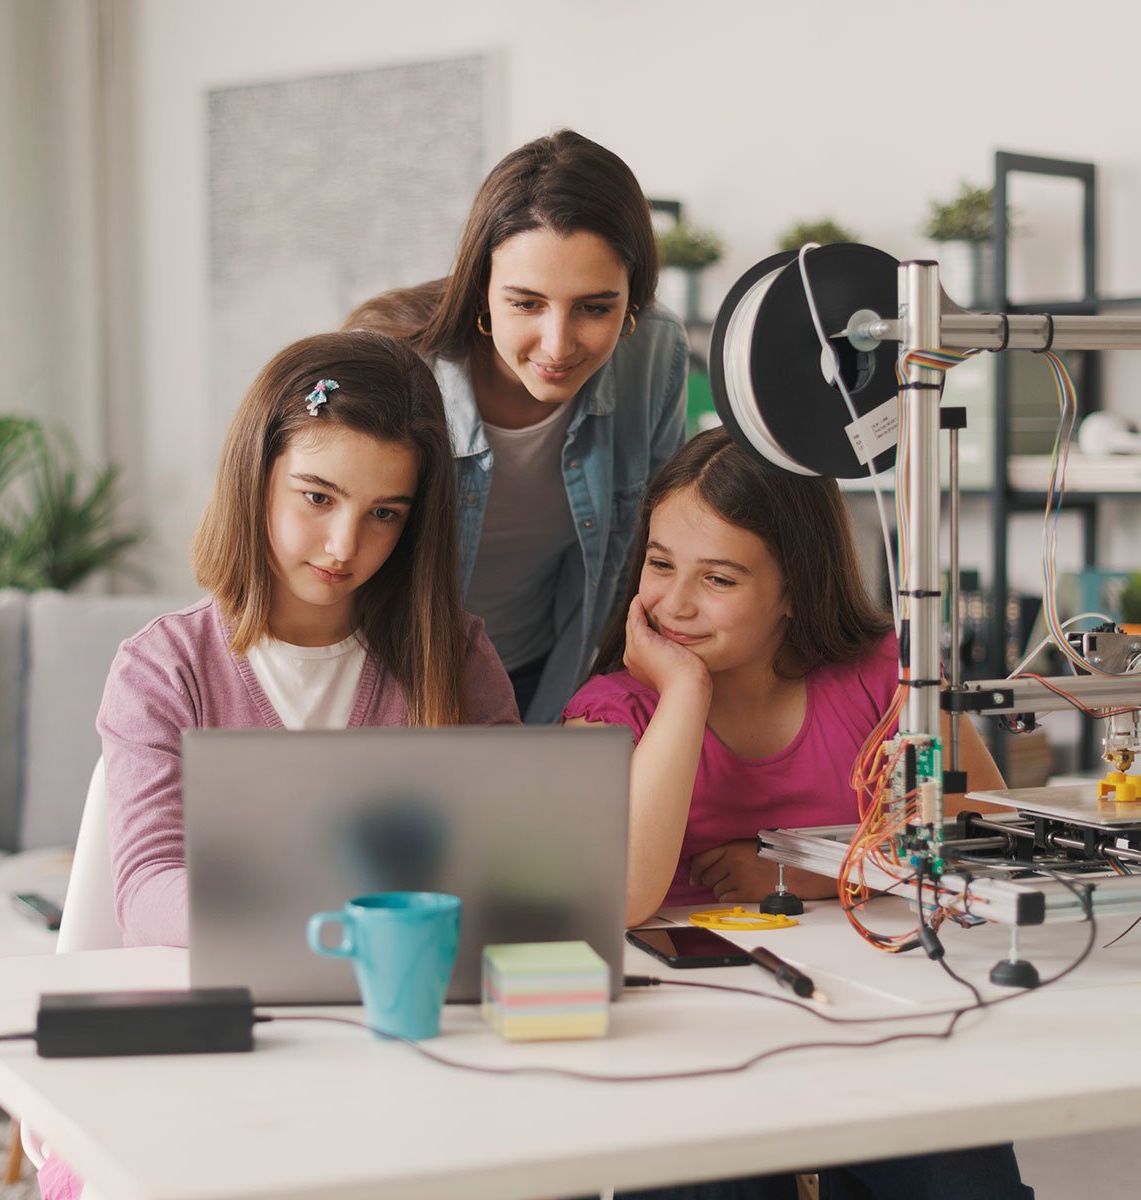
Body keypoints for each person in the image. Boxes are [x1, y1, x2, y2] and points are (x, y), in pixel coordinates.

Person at [563, 427, 1031, 1200]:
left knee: (966, 1183)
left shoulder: (884, 675)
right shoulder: (614, 710)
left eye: (718, 579)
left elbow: (973, 834)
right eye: (660, 564)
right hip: (691, 1046)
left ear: (794, 590)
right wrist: (683, 693)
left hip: (876, 1028)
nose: (675, 604)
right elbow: (613, 895)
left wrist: (806, 870)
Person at [98, 330, 519, 951]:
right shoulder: (162, 670)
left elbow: (513, 858)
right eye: (318, 497)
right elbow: (146, 891)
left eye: (384, 514)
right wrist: (320, 915)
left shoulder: (455, 656)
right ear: (256, 475)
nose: (343, 546)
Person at [346, 129, 688, 723]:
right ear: (480, 287)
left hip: (545, 679)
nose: (557, 345)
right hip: (391, 684)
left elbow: (655, 549)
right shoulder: (392, 365)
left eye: (595, 307)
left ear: (633, 297)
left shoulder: (653, 356)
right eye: (526, 303)